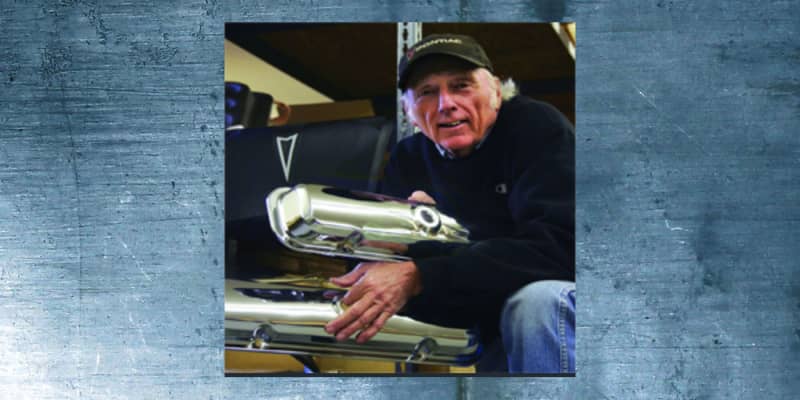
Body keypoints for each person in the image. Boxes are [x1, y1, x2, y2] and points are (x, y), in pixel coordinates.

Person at [324, 33, 575, 373]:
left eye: (461, 86)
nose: (446, 103)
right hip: (493, 312)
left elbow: (560, 248)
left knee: (536, 303)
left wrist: (422, 271)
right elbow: (390, 263)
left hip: (567, 298)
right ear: (409, 112)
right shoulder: (409, 157)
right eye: (427, 92)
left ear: (496, 91)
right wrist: (387, 258)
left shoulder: (536, 127)